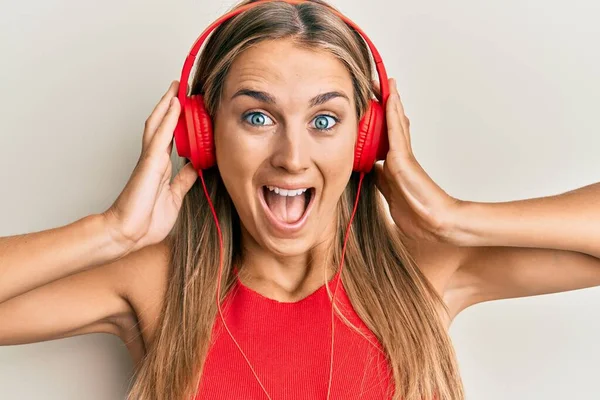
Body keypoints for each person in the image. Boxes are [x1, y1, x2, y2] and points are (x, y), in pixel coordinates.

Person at [1, 0, 599, 399]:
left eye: (325, 120)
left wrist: (454, 218)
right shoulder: (159, 282)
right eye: (257, 116)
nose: (291, 156)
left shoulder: (427, 271)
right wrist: (111, 232)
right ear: (202, 136)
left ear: (367, 141)